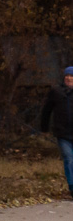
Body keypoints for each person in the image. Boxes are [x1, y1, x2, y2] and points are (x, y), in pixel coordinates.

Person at [40, 67, 73, 199]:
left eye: (71, 76)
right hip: (63, 133)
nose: (69, 78)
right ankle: (72, 186)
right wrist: (44, 128)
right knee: (69, 159)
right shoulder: (56, 92)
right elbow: (47, 110)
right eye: (67, 76)